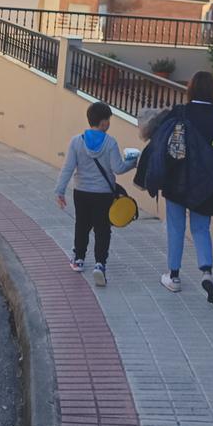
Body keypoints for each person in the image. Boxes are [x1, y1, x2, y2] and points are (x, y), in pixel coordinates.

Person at [135, 71, 213, 304]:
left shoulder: (180, 112)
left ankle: (174, 276)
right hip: (205, 183)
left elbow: (159, 140)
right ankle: (206, 273)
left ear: (190, 89)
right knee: (201, 228)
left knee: (176, 228)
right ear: (211, 91)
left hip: (176, 178)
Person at [55, 101, 137, 287]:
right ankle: (100, 264)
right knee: (102, 229)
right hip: (103, 194)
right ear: (104, 122)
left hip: (81, 191)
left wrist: (60, 190)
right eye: (108, 119)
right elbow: (118, 168)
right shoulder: (110, 142)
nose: (109, 123)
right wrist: (133, 162)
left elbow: (68, 168)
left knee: (82, 224)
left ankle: (79, 259)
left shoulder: (77, 141)